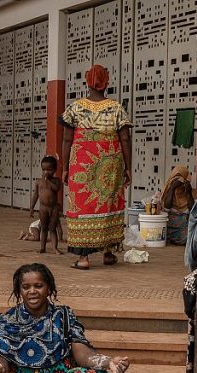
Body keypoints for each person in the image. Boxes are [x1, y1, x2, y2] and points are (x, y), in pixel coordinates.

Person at [0, 263, 128, 373]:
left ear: (49, 289)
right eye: (26, 287)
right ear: (20, 290)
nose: (32, 291)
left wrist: (108, 361)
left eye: (38, 286)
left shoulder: (64, 315)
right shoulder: (6, 320)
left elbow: (82, 352)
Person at [60, 64, 133, 270]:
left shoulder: (74, 108)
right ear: (106, 83)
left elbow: (67, 140)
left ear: (87, 82)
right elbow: (125, 140)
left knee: (83, 207)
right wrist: (128, 167)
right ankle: (108, 253)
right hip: (110, 165)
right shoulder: (116, 107)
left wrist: (65, 167)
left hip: (81, 164)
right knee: (108, 204)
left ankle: (83, 259)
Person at [29, 156, 63, 254]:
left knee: (52, 228)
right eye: (44, 170)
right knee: (43, 228)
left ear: (55, 170)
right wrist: (31, 208)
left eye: (49, 170)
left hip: (54, 208)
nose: (46, 172)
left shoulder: (56, 180)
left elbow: (56, 189)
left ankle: (54, 248)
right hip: (43, 208)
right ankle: (42, 247)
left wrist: (48, 181)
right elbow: (35, 195)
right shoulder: (39, 182)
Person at [158, 165, 197, 246]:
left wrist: (188, 193)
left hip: (183, 229)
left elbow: (193, 211)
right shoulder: (166, 191)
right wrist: (172, 188)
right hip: (169, 228)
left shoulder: (193, 193)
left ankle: (176, 240)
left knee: (192, 236)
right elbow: (167, 207)